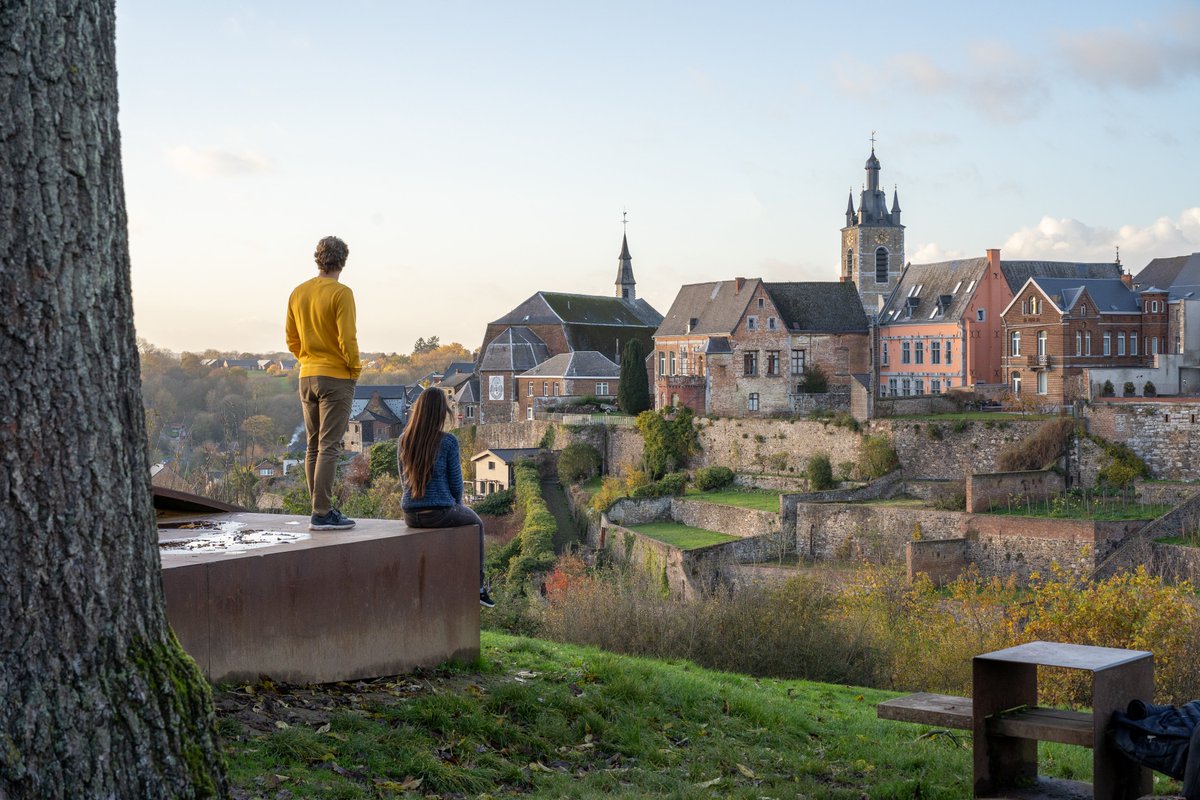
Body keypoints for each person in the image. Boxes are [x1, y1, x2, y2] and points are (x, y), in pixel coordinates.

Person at [285, 235, 361, 531]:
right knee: (329, 446)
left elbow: (291, 339)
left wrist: (307, 359)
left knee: (313, 446)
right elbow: (347, 338)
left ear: (318, 259)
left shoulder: (298, 293)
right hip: (336, 376)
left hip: (306, 375)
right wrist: (354, 369)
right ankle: (322, 512)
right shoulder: (342, 293)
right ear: (343, 261)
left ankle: (318, 509)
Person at [399, 388, 494, 608]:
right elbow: (456, 484)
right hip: (439, 512)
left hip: (410, 515)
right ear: (441, 412)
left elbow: (404, 480)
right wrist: (457, 507)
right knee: (477, 524)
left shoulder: (404, 440)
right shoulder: (448, 441)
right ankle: (479, 587)